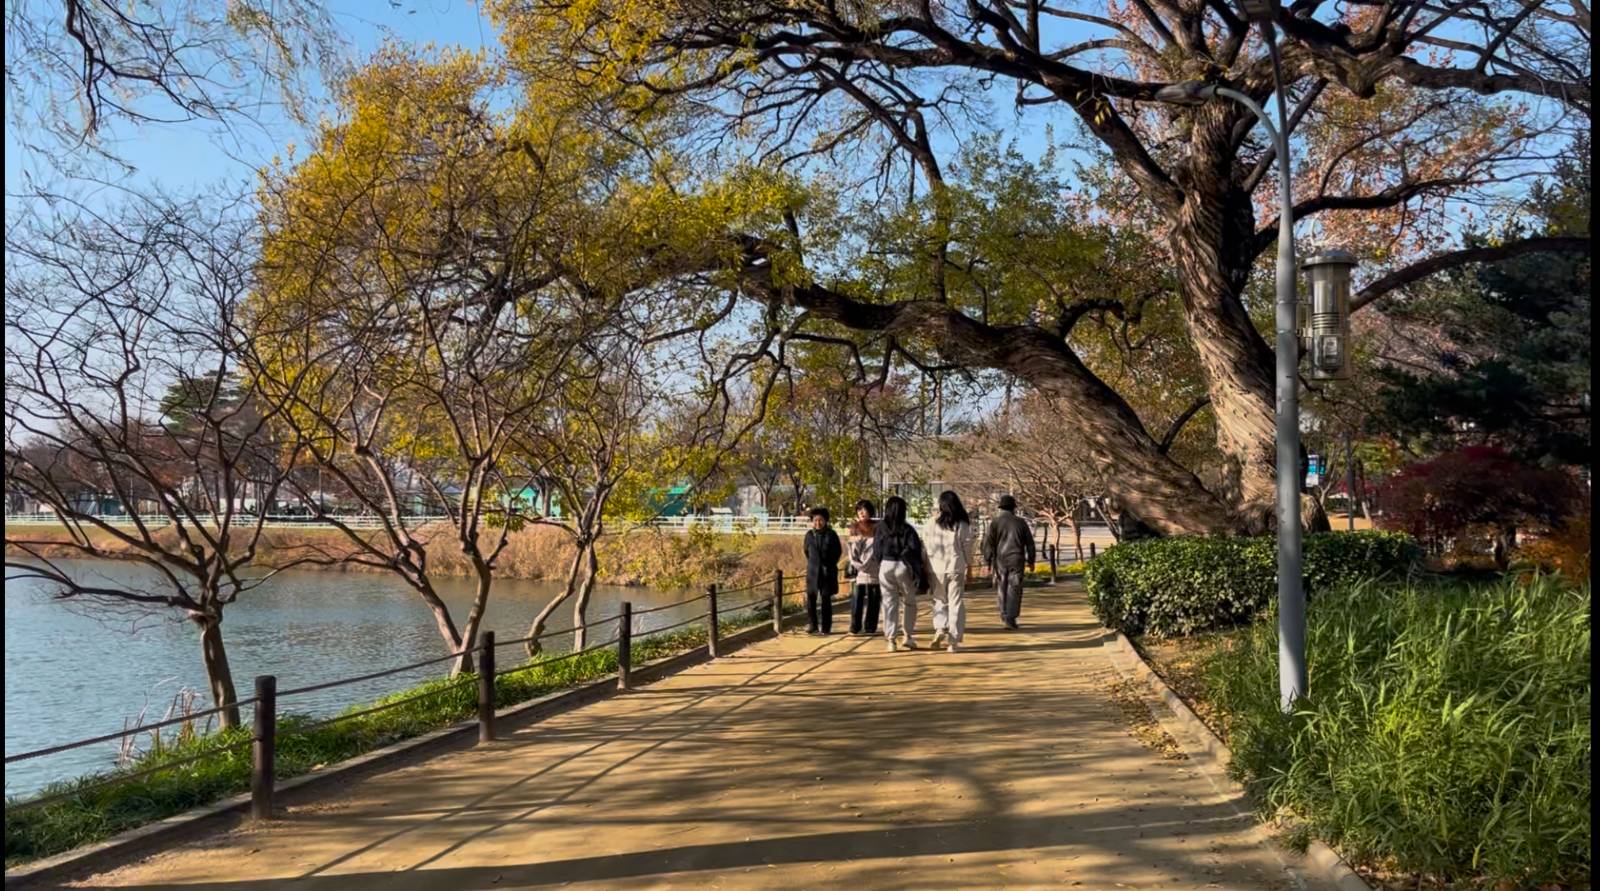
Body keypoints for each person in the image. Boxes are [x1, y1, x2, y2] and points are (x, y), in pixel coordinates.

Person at [873, 495, 928, 652]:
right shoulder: (908, 529)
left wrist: (881, 564)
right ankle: (908, 636)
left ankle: (891, 640)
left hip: (885, 565)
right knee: (909, 601)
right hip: (904, 566)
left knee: (889, 603)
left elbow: (876, 551)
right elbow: (915, 549)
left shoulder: (880, 528)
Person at [923, 490, 974, 652]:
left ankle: (939, 629)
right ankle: (953, 640)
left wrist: (925, 565)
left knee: (939, 600)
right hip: (955, 566)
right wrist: (970, 567)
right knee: (956, 602)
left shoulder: (931, 523)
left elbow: (925, 546)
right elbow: (967, 547)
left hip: (936, 567)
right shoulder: (962, 524)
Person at [982, 494, 1035, 630]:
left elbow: (988, 543)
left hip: (1000, 560)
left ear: (1001, 508)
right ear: (1013, 508)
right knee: (1014, 588)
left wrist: (987, 561)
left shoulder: (995, 523)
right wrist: (1031, 560)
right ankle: (1011, 617)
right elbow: (1030, 543)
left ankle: (1004, 614)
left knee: (1002, 587)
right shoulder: (1020, 522)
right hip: (1016, 559)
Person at [802, 506, 842, 635]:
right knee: (811, 598)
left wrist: (828, 565)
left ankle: (826, 627)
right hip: (813, 572)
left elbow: (837, 552)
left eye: (820, 520)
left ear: (825, 521)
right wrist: (814, 564)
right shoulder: (809, 535)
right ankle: (813, 625)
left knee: (826, 599)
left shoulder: (831, 534)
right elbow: (806, 552)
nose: (818, 523)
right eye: (815, 520)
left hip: (827, 572)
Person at [846, 499, 881, 636]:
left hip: (874, 569)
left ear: (870, 511)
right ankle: (855, 627)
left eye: (864, 509)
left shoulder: (878, 527)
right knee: (857, 599)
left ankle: (870, 627)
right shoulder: (853, 528)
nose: (861, 512)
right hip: (858, 570)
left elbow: (879, 549)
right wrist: (856, 563)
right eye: (859, 509)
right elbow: (850, 550)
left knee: (874, 599)